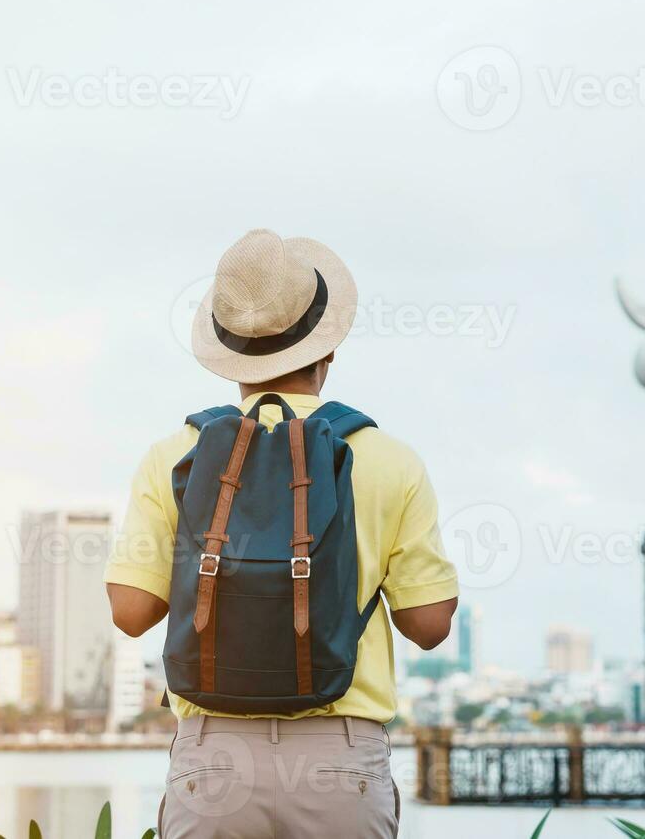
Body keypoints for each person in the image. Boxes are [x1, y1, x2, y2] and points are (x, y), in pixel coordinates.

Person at [105, 228, 459, 838]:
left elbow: (132, 613)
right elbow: (427, 628)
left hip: (213, 765)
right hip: (339, 761)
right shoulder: (390, 459)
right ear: (329, 350)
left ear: (229, 355)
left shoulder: (175, 456)